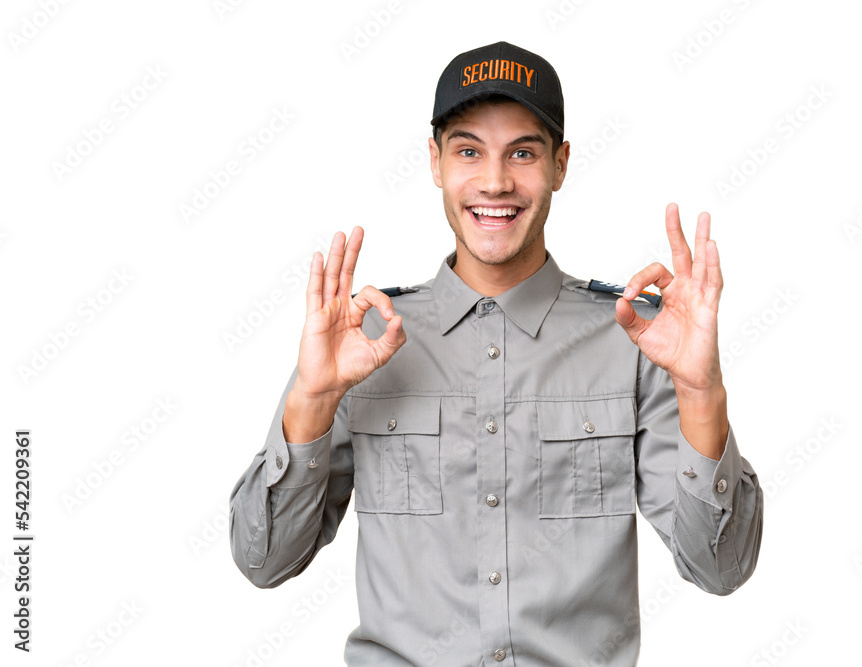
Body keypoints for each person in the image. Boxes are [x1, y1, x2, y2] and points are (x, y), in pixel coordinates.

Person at [229, 41, 763, 666]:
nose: (494, 181)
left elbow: (721, 570)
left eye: (523, 152)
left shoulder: (637, 339)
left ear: (560, 165)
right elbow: (263, 562)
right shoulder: (361, 341)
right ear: (434, 162)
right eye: (468, 150)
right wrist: (312, 399)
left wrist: (702, 391)